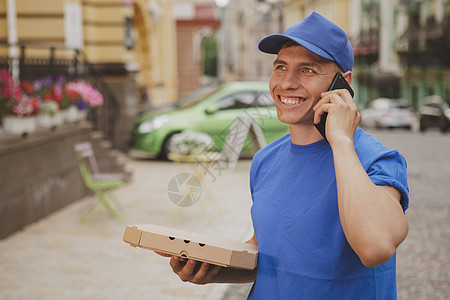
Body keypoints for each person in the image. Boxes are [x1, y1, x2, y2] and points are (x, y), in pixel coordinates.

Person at [161, 11, 409, 299]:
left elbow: (375, 248)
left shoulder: (377, 160)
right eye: (280, 66)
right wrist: (211, 271)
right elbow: (269, 257)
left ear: (343, 83)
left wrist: (341, 140)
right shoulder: (265, 160)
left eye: (307, 70)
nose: (287, 83)